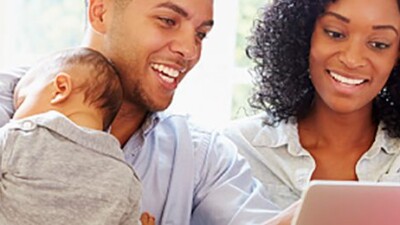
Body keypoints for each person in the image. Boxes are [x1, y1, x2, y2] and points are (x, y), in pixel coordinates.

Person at [0, 0, 280, 224]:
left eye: (201, 34)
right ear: (100, 11)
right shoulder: (14, 106)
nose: (189, 50)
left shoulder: (203, 157)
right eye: (168, 21)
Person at [223, 0, 400, 223]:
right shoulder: (237, 150)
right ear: (303, 35)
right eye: (335, 34)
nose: (352, 59)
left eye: (379, 44)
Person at [0, 47, 145, 225]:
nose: (14, 115)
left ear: (60, 89)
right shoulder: (126, 179)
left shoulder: (19, 138)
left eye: (21, 101)